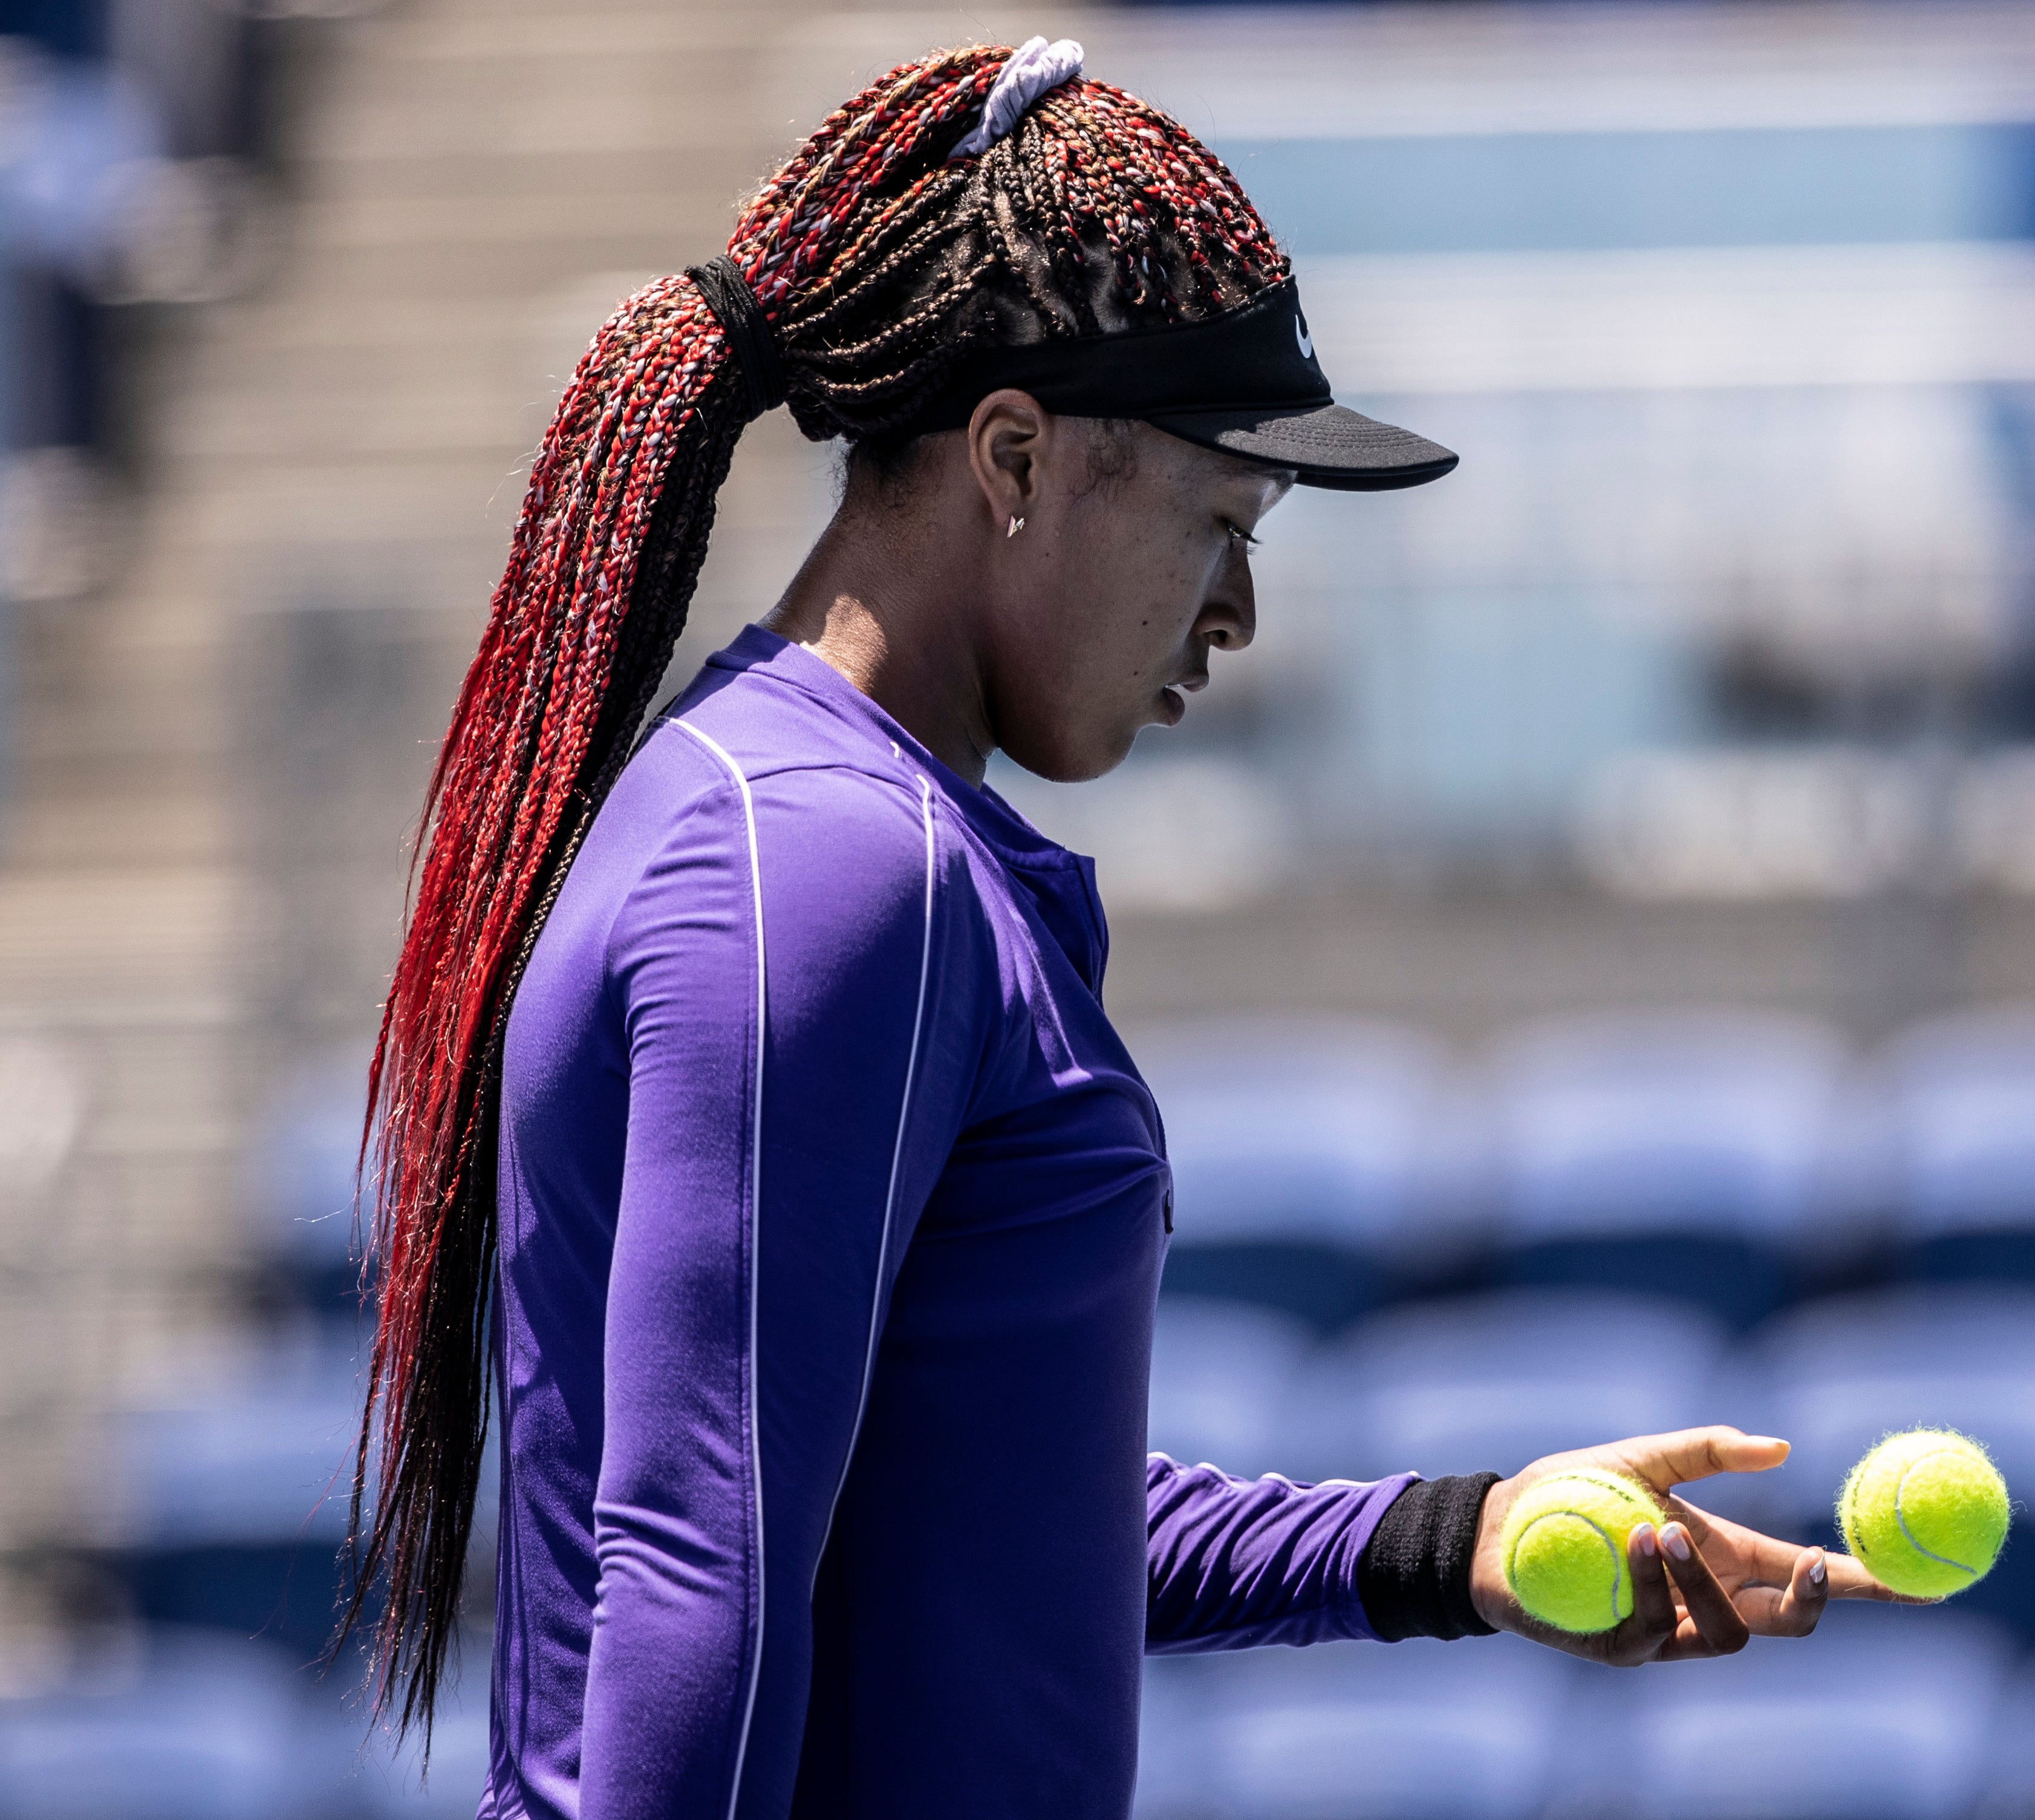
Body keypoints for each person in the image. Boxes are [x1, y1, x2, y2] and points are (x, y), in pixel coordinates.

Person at [344, 38, 1904, 1820]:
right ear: (1013, 456)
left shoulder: (819, 838)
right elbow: (701, 1570)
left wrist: (1452, 1543)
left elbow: (969, 1516)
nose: (1236, 609)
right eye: (1219, 519)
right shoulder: (835, 868)